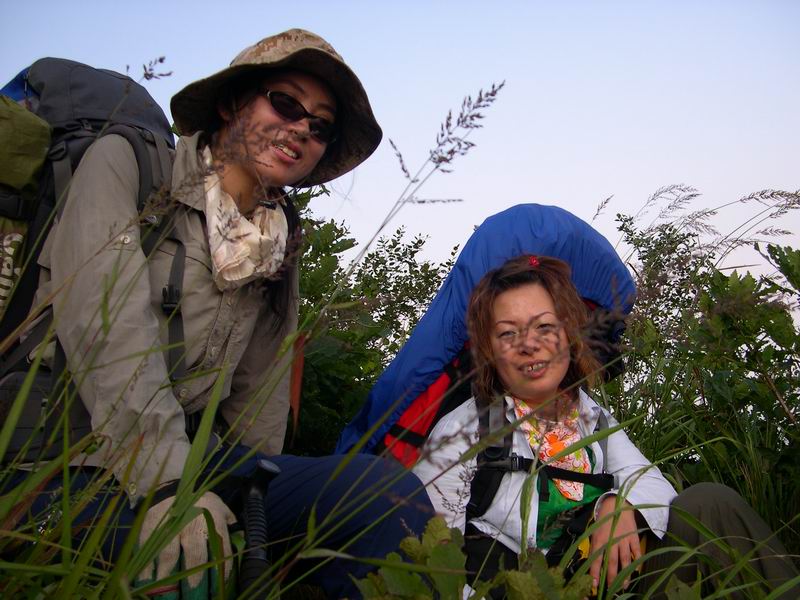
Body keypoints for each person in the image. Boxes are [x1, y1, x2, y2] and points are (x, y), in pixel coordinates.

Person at [6, 29, 432, 598]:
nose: (302, 129)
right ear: (233, 102)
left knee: (385, 496)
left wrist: (259, 510)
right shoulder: (130, 163)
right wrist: (166, 485)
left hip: (192, 456)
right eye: (286, 103)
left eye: (321, 126)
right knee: (193, 566)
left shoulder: (278, 241)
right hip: (56, 452)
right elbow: (106, 332)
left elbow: (257, 400)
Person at [413, 255, 798, 598]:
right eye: (508, 333)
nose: (529, 344)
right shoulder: (462, 432)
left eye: (544, 326)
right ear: (489, 350)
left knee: (709, 502)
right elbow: (436, 564)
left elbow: (650, 481)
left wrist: (618, 506)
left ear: (568, 335)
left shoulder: (590, 415)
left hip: (619, 586)